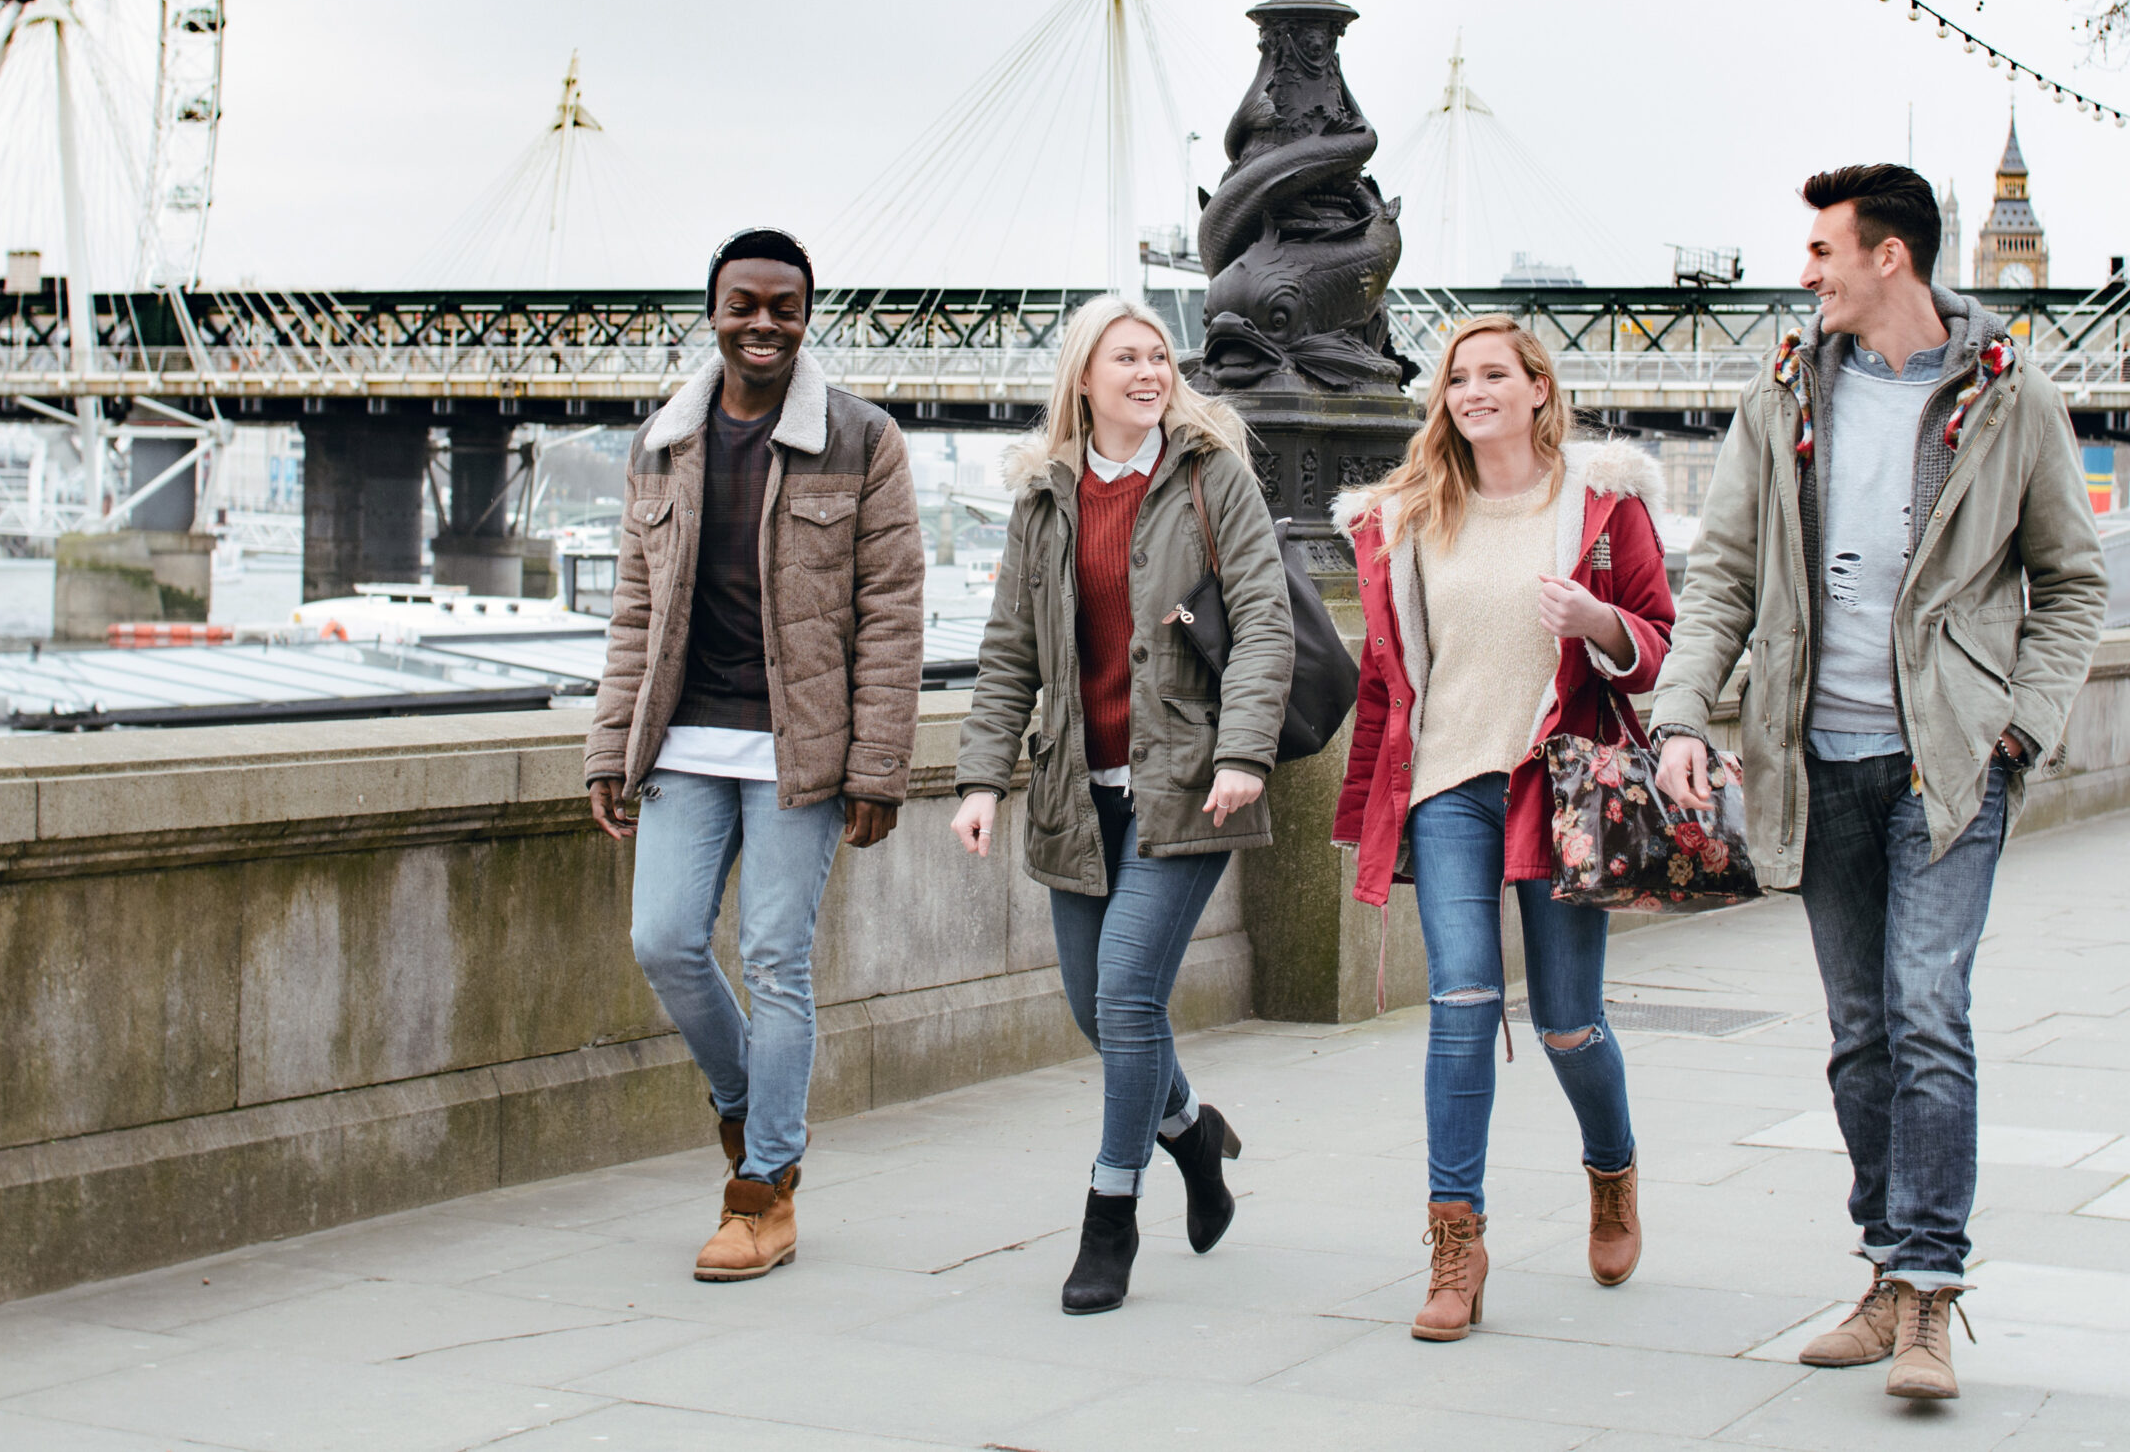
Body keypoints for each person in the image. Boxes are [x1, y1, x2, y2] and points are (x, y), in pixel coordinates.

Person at [1652, 164, 2104, 1401]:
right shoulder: (1786, 391)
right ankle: (1887, 1269)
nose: (1804, 273)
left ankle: (1929, 1299)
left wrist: (2019, 724)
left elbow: (2072, 583)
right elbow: (1728, 575)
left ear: (1888, 258)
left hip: (1949, 769)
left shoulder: (2012, 403)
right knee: (1859, 1038)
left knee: (1925, 1013)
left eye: (1820, 250)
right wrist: (1683, 707)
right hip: (1819, 761)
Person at [585, 227, 924, 1283]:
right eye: (744, 304)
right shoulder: (663, 443)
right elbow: (635, 610)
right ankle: (753, 1103)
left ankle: (763, 1188)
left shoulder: (861, 439)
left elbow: (892, 612)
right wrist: (609, 749)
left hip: (800, 752)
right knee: (665, 941)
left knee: (776, 960)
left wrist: (878, 767)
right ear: (714, 312)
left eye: (784, 305)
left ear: (806, 316)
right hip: (684, 742)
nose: (763, 322)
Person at [1330, 315, 1677, 1342]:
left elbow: (1660, 644)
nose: (1472, 391)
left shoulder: (1604, 507)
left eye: (1493, 374)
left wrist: (1598, 623)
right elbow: (1384, 681)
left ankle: (1609, 1171)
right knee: (1461, 1003)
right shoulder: (1403, 519)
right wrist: (1365, 803)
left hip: (1559, 782)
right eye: (1456, 379)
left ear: (1535, 388)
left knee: (1569, 1022)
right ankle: (1455, 1243)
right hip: (1447, 786)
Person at [951, 294, 1295, 1315]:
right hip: (1073, 791)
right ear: (1083, 379)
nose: (1149, 371)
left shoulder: (1209, 478)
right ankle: (1191, 1134)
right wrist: (978, 777)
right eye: (1125, 358)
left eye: (1159, 355)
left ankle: (1110, 1218)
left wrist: (1243, 753)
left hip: (1184, 788)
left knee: (1129, 998)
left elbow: (1266, 624)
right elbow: (1012, 648)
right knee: (1092, 1009)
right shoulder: (1045, 497)